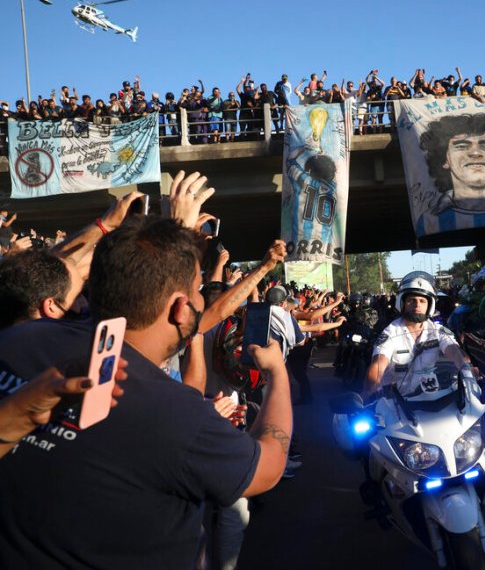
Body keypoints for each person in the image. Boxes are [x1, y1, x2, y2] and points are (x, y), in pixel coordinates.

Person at [0, 175, 293, 568]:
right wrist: (278, 375)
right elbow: (269, 466)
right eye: (197, 290)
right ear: (179, 308)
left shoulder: (19, 341)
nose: (201, 300)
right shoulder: (178, 416)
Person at [363, 273, 476, 399]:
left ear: (429, 306)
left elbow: (454, 351)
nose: (417, 305)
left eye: (422, 301)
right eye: (411, 300)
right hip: (396, 402)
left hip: (429, 397)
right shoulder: (390, 333)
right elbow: (378, 364)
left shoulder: (437, 330)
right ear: (402, 303)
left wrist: (465, 369)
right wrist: (372, 388)